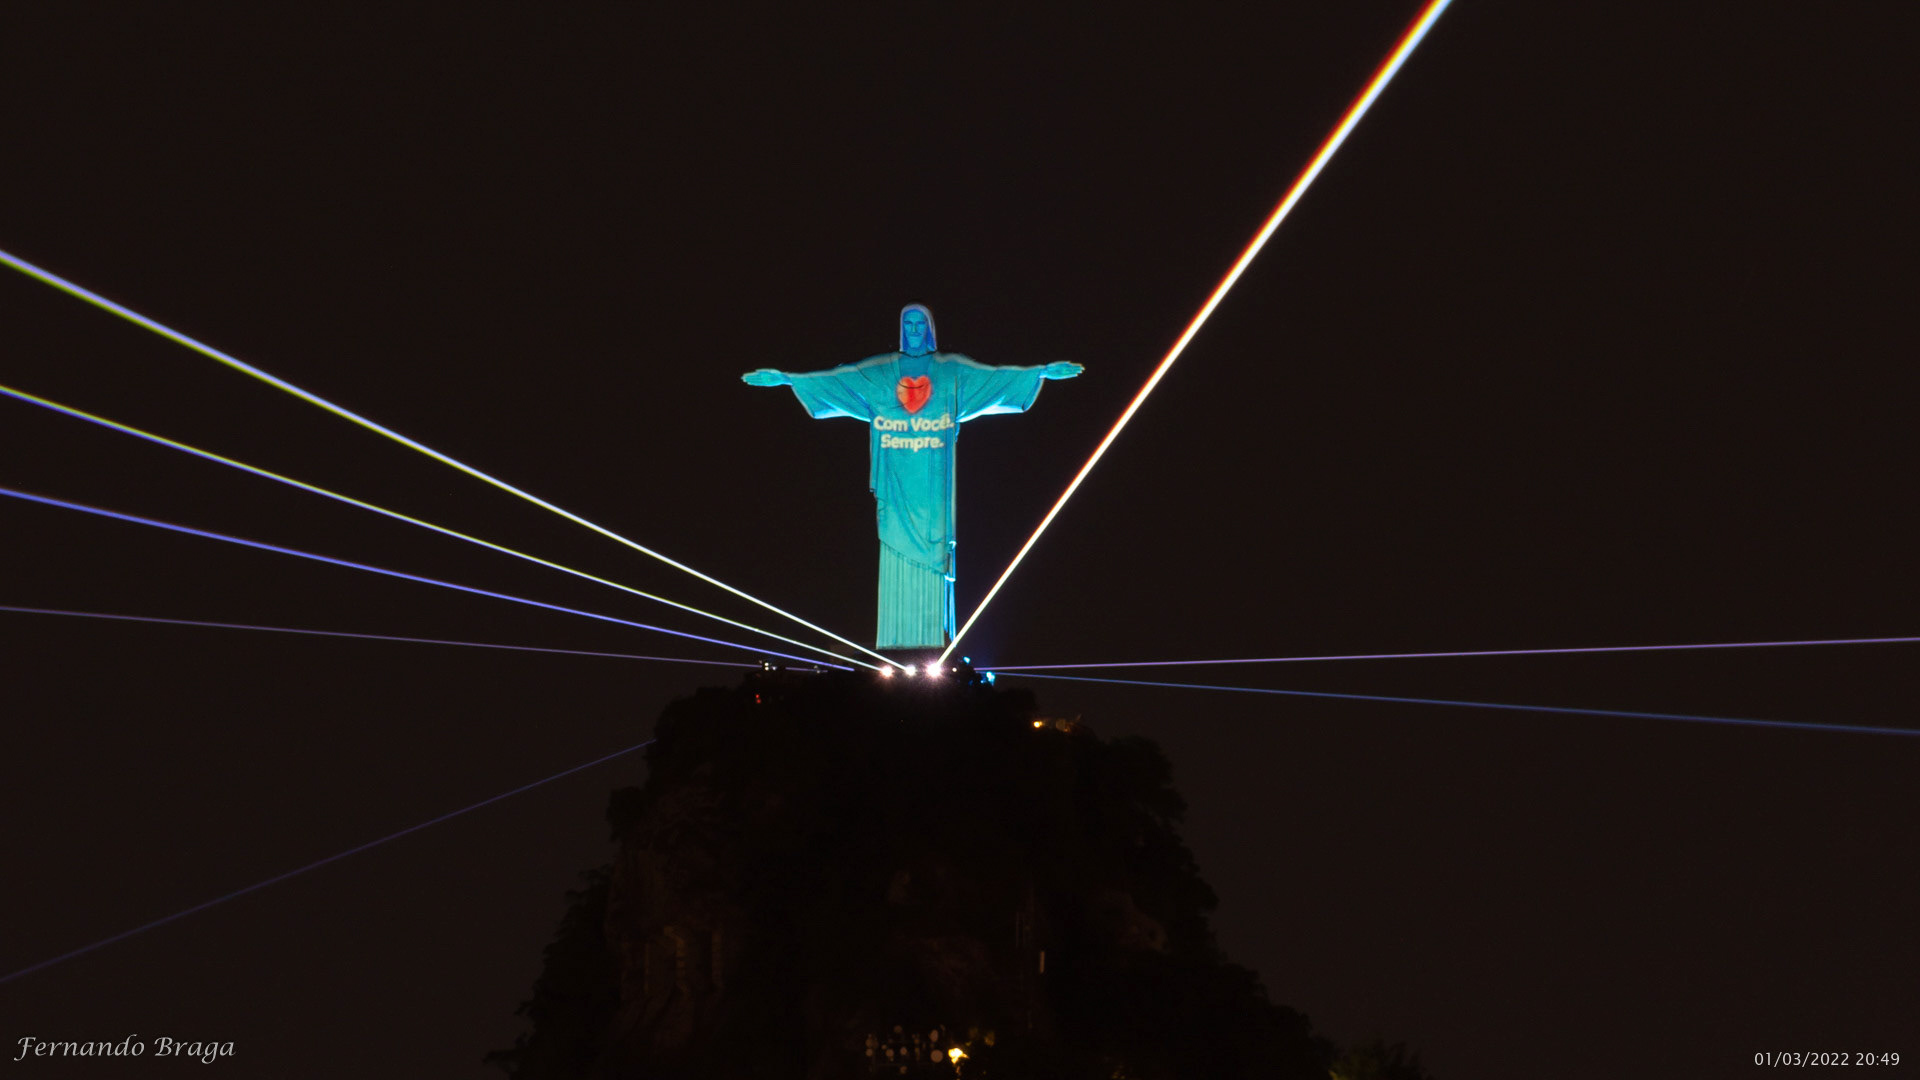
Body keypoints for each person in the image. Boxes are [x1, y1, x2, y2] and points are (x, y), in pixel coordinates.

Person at [744, 304, 1082, 650]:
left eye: (921, 323)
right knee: (893, 548)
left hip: (933, 486)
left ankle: (934, 638)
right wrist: (787, 378)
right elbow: (840, 380)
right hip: (895, 481)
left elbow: (993, 378)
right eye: (909, 323)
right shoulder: (881, 373)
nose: (916, 328)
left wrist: (1040, 372)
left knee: (938, 551)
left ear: (930, 328)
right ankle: (897, 642)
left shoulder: (951, 372)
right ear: (902, 328)